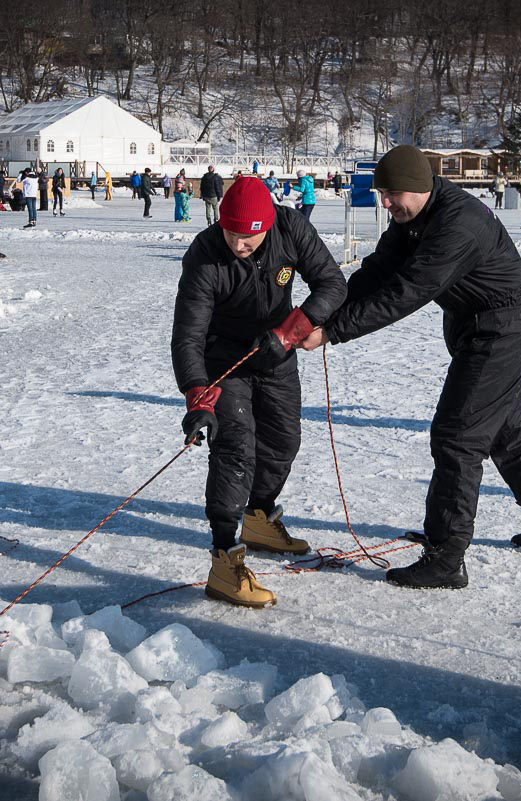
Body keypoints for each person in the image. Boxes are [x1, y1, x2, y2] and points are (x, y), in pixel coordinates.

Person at [299, 145, 521, 590]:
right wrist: (323, 311)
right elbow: (378, 271)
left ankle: (446, 556)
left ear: (418, 187)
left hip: (503, 331)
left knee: (457, 435)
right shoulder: (413, 217)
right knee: (506, 428)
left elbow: (407, 291)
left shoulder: (457, 224)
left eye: (391, 194)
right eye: (382, 193)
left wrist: (333, 332)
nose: (385, 203)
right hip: (479, 327)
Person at [171, 176, 347, 607]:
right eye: (231, 233)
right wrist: (197, 395)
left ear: (267, 226)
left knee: (284, 441)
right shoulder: (205, 254)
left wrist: (290, 332)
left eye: (248, 236)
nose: (239, 244)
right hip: (224, 359)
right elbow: (188, 334)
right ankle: (223, 558)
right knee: (236, 451)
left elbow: (332, 284)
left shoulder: (291, 228)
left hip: (276, 350)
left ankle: (259, 516)